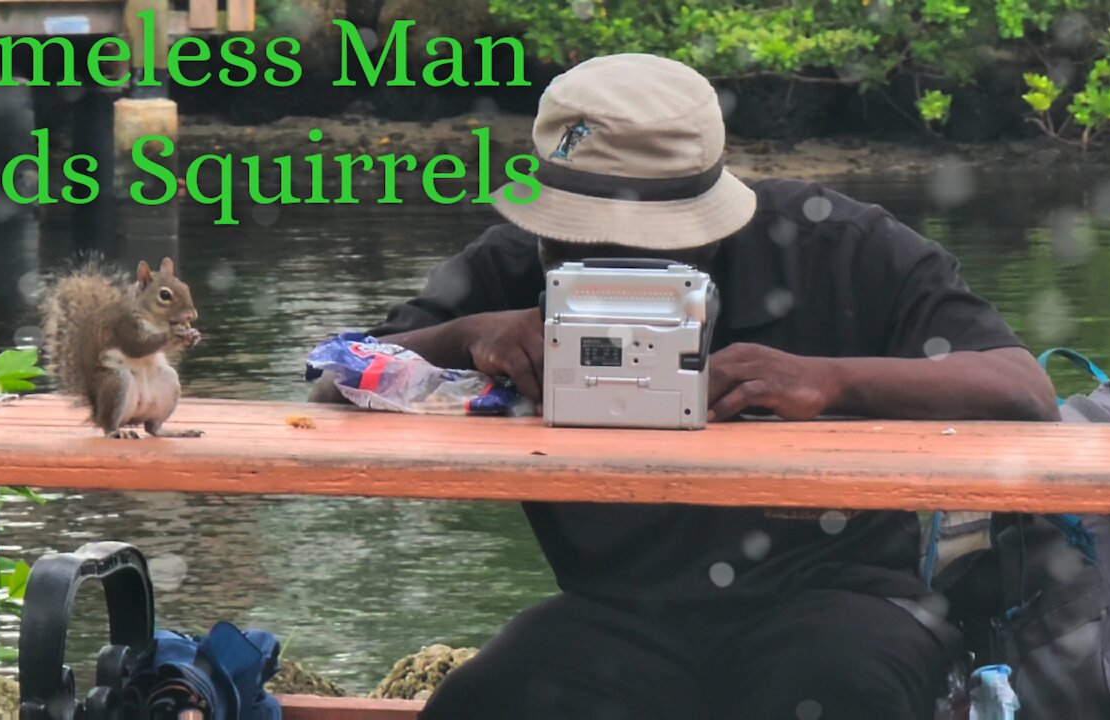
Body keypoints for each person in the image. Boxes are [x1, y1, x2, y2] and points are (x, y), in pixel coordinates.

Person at [310, 53, 1059, 719]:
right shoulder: (514, 262)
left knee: (832, 693)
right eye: (581, 233)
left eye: (649, 240)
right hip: (617, 612)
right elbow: (334, 380)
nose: (612, 257)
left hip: (842, 597)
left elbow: (1021, 388)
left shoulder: (839, 244)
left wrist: (827, 380)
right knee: (490, 703)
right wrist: (467, 336)